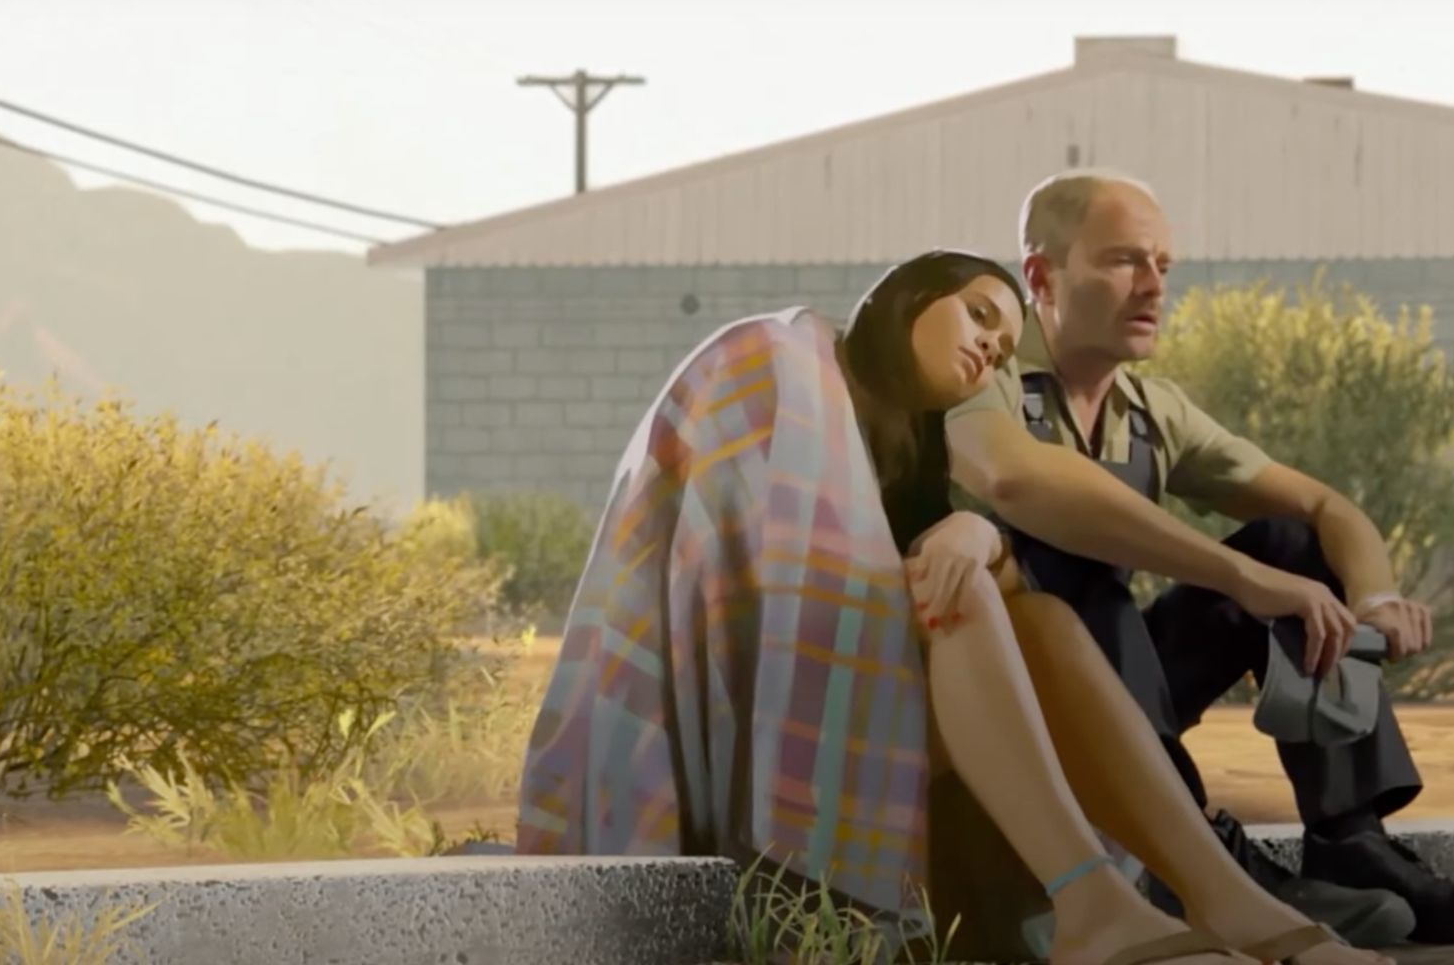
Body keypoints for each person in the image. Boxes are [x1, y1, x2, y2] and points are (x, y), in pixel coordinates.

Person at [513, 249, 1395, 965]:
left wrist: (979, 539)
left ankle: (1223, 901)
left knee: (1030, 611)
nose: (990, 350)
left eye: (1005, 346)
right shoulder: (772, 358)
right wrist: (975, 552)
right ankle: (1097, 899)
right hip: (738, 724)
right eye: (979, 314)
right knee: (972, 592)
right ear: (909, 291)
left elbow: (901, 579)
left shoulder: (914, 443)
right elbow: (771, 588)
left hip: (868, 713)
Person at [941, 170, 1454, 949]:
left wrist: (1372, 599)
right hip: (1006, 699)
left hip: (1123, 694)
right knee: (1077, 574)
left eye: (1163, 266)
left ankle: (1350, 842)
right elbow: (1018, 482)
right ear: (1041, 275)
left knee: (1291, 548)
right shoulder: (977, 370)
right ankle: (1187, 849)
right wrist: (1237, 576)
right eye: (1124, 261)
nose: (1152, 286)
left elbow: (1327, 510)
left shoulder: (1151, 412)